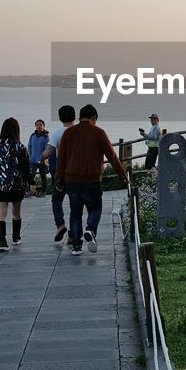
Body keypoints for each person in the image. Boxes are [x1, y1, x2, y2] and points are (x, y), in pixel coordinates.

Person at [57, 104, 126, 256]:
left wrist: (60, 180)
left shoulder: (68, 133)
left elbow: (61, 159)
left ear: (80, 117)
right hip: (92, 180)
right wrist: (123, 175)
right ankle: (90, 230)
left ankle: (76, 245)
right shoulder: (99, 132)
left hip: (71, 181)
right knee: (95, 209)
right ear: (94, 118)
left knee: (75, 213)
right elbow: (112, 157)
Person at [0, 117, 36, 252]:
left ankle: (2, 241)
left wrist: (0, 167)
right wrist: (31, 182)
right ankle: (16, 237)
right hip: (16, 184)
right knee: (16, 212)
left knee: (1, 213)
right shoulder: (20, 147)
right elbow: (25, 168)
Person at [41, 105, 76, 244]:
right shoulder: (78, 132)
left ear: (60, 118)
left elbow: (48, 152)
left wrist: (42, 159)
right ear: (75, 117)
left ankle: (60, 225)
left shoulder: (57, 133)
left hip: (61, 174)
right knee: (75, 205)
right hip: (77, 175)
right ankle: (73, 235)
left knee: (56, 200)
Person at [29, 120, 51, 196]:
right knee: (31, 176)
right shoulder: (32, 136)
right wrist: (30, 156)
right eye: (37, 125)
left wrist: (44, 158)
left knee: (43, 176)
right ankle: (30, 191)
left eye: (40, 125)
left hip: (42, 160)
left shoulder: (46, 137)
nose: (39, 126)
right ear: (35, 126)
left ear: (43, 126)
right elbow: (29, 146)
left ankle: (43, 192)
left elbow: (47, 149)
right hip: (33, 160)